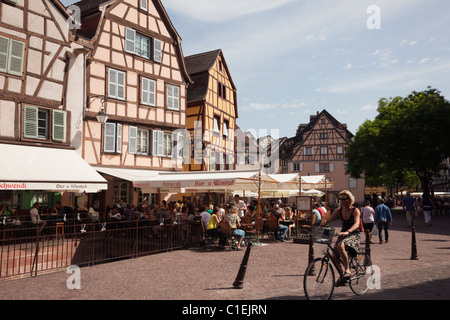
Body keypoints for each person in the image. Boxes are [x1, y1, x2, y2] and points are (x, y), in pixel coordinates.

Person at [320, 190, 361, 282]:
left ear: (349, 200)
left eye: (344, 199)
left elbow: (357, 224)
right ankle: (343, 276)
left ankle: (347, 269)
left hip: (353, 235)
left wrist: (348, 231)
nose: (341, 201)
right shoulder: (339, 211)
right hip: (343, 234)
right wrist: (318, 226)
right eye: (340, 199)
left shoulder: (355, 210)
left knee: (340, 245)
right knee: (334, 257)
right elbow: (328, 220)